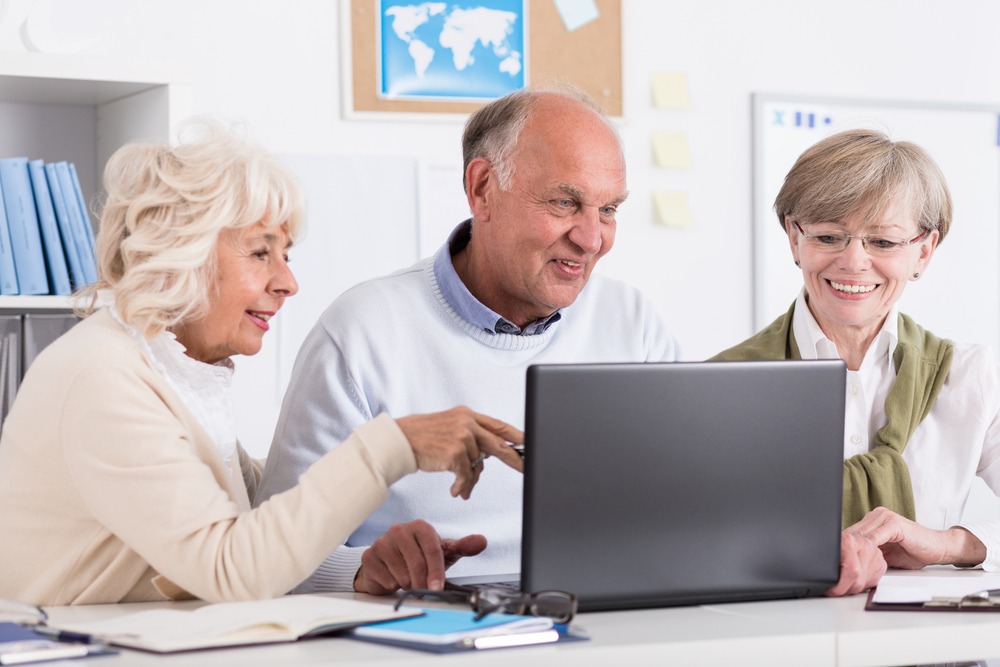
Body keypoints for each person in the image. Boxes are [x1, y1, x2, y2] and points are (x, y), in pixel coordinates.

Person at [0, 119, 523, 606]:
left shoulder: (173, 375)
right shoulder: (102, 375)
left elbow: (259, 532)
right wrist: (397, 444)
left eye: (286, 255)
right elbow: (232, 569)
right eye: (259, 253)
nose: (287, 282)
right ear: (180, 252)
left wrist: (363, 569)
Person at [254, 86, 679, 595]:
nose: (592, 240)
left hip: (601, 619)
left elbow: (686, 508)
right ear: (482, 190)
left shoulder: (632, 322)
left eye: (608, 209)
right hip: (427, 629)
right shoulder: (362, 331)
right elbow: (272, 557)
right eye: (566, 202)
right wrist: (365, 569)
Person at [713, 128, 1000, 595]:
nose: (853, 262)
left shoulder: (968, 376)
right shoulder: (719, 385)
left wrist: (949, 544)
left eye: (883, 243)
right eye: (828, 236)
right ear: (794, 239)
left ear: (923, 251)